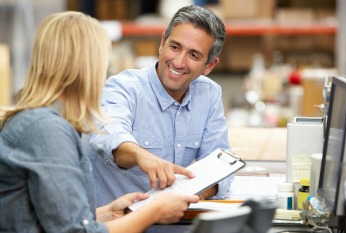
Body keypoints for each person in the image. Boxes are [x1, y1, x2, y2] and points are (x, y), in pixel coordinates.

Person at [0, 11, 199, 233]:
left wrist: (106, 213)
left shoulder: (38, 120)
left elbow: (50, 217)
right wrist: (152, 213)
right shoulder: (46, 130)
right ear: (87, 65)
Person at [84, 5, 234, 207]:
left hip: (174, 223)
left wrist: (195, 192)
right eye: (175, 47)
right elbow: (110, 135)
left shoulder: (209, 94)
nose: (179, 62)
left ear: (209, 65)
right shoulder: (123, 88)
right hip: (118, 224)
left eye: (193, 55)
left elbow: (221, 165)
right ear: (162, 43)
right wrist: (141, 156)